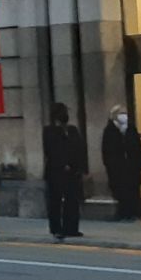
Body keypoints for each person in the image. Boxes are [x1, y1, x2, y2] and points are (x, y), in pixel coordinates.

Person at [43, 102, 87, 241]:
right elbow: (51, 151)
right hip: (56, 171)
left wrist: (77, 166)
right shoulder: (49, 131)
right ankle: (56, 228)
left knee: (72, 200)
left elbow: (79, 148)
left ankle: (71, 228)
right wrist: (63, 164)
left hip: (72, 172)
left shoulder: (72, 130)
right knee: (55, 201)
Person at [100, 105, 141, 221]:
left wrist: (139, 164)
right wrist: (110, 166)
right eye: (121, 113)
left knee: (133, 190)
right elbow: (107, 151)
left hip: (132, 167)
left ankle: (133, 212)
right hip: (117, 168)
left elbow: (138, 148)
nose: (124, 116)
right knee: (120, 191)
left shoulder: (131, 129)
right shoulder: (109, 131)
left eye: (124, 113)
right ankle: (123, 213)